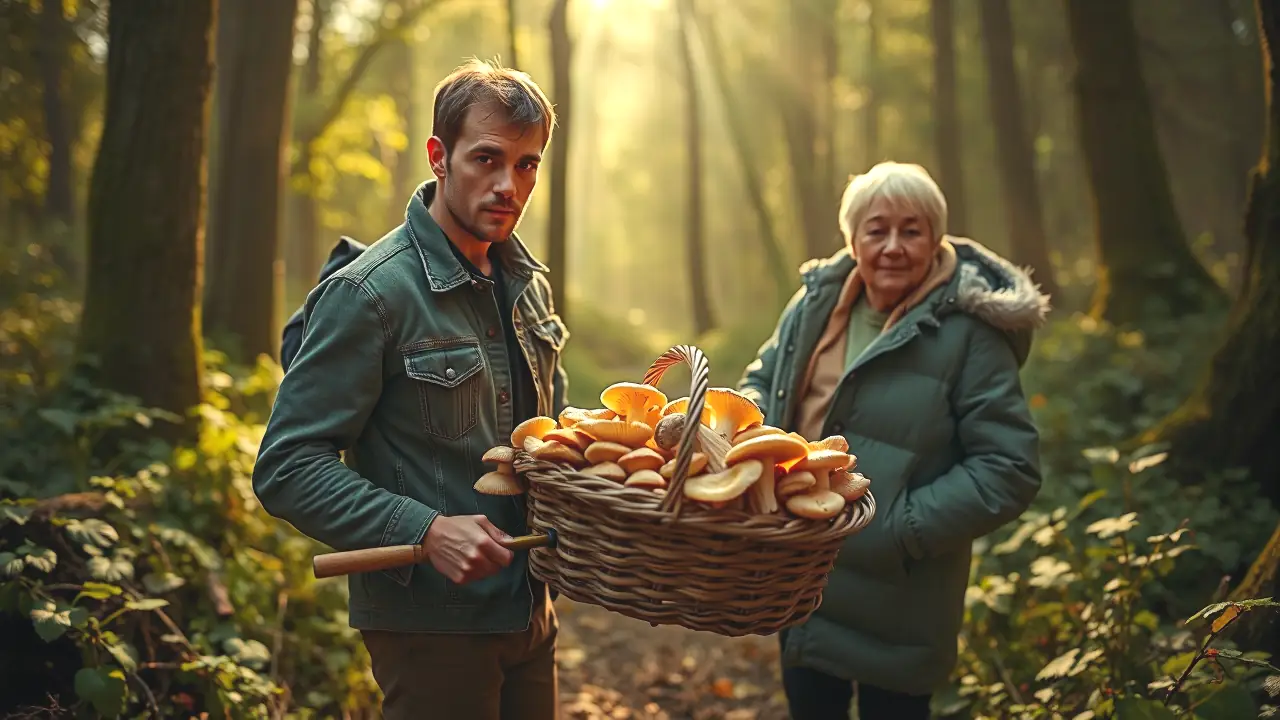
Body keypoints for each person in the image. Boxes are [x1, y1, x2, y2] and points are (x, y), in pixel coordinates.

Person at [252, 60, 570, 720]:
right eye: (487, 158)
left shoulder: (528, 287)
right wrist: (425, 530)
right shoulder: (369, 294)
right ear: (439, 157)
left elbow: (552, 442)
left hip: (531, 612)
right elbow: (286, 467)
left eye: (527, 164)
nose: (510, 184)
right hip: (432, 629)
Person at [738, 161, 1049, 719]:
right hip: (801, 577)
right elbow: (763, 379)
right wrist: (749, 435)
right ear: (852, 239)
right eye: (876, 229)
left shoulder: (970, 336)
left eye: (913, 230)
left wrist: (896, 527)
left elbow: (1009, 466)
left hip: (902, 597)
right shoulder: (814, 303)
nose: (893, 246)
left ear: (936, 239)